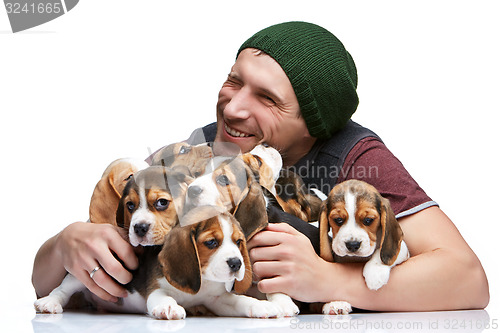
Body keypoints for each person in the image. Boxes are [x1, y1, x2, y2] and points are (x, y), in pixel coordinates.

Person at [32, 21, 489, 311]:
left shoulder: (356, 160)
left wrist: (332, 279)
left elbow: (468, 279)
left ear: (314, 125)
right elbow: (45, 282)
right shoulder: (202, 149)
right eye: (235, 81)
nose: (233, 108)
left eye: (267, 99)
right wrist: (63, 246)